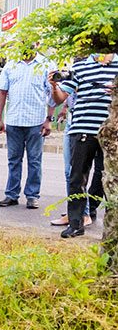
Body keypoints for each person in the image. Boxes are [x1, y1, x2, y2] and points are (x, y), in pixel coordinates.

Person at [50, 52, 117, 238]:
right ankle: (76, 223)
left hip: (111, 131)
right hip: (82, 128)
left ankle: (111, 226)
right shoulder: (80, 67)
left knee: (110, 179)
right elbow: (60, 98)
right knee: (77, 177)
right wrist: (54, 85)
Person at [0, 49, 54, 209]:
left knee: (34, 161)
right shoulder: (11, 65)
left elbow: (52, 94)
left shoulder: (46, 65)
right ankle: (11, 195)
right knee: (13, 161)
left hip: (36, 122)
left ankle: (32, 196)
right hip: (14, 121)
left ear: (37, 44)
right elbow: (1, 93)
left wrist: (49, 120)